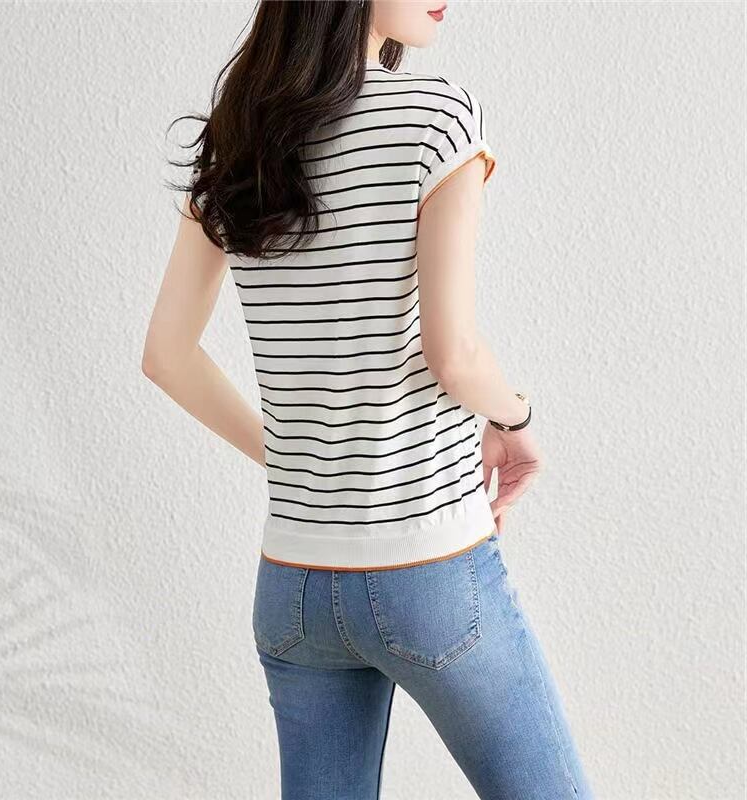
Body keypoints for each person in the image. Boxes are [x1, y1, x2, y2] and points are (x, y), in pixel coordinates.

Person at [142, 2, 595, 798]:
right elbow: (454, 355)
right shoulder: (437, 116)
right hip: (428, 567)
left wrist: (299, 455)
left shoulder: (240, 138)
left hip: (294, 585)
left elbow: (167, 357)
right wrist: (516, 417)